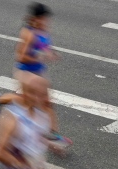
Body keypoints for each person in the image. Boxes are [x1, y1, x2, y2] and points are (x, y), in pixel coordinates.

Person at [12, 2, 72, 152]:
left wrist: (50, 53)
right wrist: (41, 57)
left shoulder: (43, 29)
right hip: (27, 73)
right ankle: (1, 107)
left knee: (47, 103)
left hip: (39, 72)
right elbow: (20, 57)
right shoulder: (29, 34)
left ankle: (54, 135)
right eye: (44, 18)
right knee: (26, 106)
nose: (46, 21)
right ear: (36, 19)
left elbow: (44, 46)